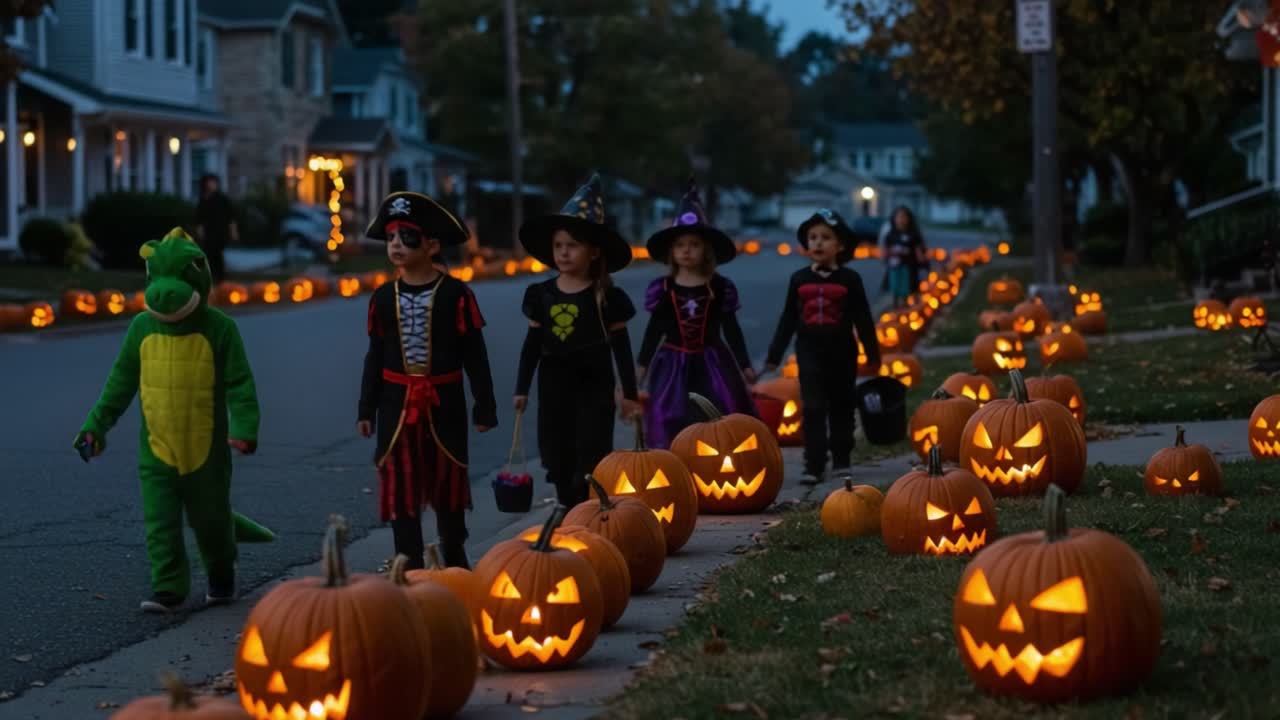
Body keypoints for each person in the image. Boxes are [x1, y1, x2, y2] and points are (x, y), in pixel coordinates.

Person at [74, 228, 273, 613]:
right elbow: (119, 384)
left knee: (211, 521)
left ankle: (220, 572)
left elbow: (239, 384)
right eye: (156, 279)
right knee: (160, 523)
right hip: (157, 450)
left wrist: (245, 429)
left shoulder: (220, 328)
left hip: (206, 452)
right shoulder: (140, 329)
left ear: (199, 277)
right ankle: (168, 586)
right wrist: (94, 427)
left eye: (178, 279)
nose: (165, 292)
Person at [358, 191, 497, 569]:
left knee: (447, 483)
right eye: (390, 238)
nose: (397, 245)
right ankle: (409, 561)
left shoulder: (455, 295)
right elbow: (374, 355)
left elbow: (475, 355)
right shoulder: (384, 298)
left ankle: (453, 554)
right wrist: (365, 407)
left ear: (432, 245)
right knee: (401, 485)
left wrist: (485, 405)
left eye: (407, 238)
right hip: (395, 406)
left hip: (444, 404)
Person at [514, 174, 642, 507]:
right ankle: (565, 505)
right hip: (554, 384)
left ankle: (589, 508)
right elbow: (531, 346)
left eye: (572, 245)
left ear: (593, 252)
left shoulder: (607, 297)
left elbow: (622, 349)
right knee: (557, 451)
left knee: (591, 451)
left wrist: (629, 394)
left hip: (594, 386)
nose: (564, 253)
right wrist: (521, 388)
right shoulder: (540, 295)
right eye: (559, 246)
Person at [637, 178, 756, 449]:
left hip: (712, 361)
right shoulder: (664, 289)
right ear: (672, 252)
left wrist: (745, 364)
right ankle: (676, 463)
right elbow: (654, 330)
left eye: (694, 244)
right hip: (672, 364)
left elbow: (731, 328)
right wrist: (641, 367)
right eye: (680, 246)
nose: (687, 250)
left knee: (715, 414)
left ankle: (716, 459)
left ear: (706, 250)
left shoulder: (719, 288)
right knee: (672, 416)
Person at [765, 209, 880, 485]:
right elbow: (788, 318)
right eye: (812, 237)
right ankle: (813, 463)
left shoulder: (850, 280)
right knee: (813, 407)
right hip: (809, 352)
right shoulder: (799, 279)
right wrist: (774, 355)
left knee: (842, 405)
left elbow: (863, 318)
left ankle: (841, 458)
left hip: (842, 352)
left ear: (840, 245)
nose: (817, 243)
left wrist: (872, 353)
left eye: (825, 238)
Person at [194, 174, 237, 284]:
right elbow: (199, 219)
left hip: (220, 231)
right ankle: (211, 278)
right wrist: (200, 232)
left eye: (214, 182)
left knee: (218, 254)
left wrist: (233, 231)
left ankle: (221, 279)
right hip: (209, 232)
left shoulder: (222, 199)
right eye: (210, 182)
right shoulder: (203, 199)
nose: (212, 184)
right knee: (209, 255)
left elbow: (230, 217)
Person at [882, 206, 927, 307]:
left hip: (909, 267)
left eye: (904, 217)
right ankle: (896, 306)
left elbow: (919, 252)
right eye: (899, 217)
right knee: (895, 288)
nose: (901, 219)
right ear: (894, 219)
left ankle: (907, 306)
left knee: (908, 289)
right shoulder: (890, 235)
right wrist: (890, 253)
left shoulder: (913, 234)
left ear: (909, 219)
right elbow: (885, 252)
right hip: (894, 267)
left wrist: (922, 261)